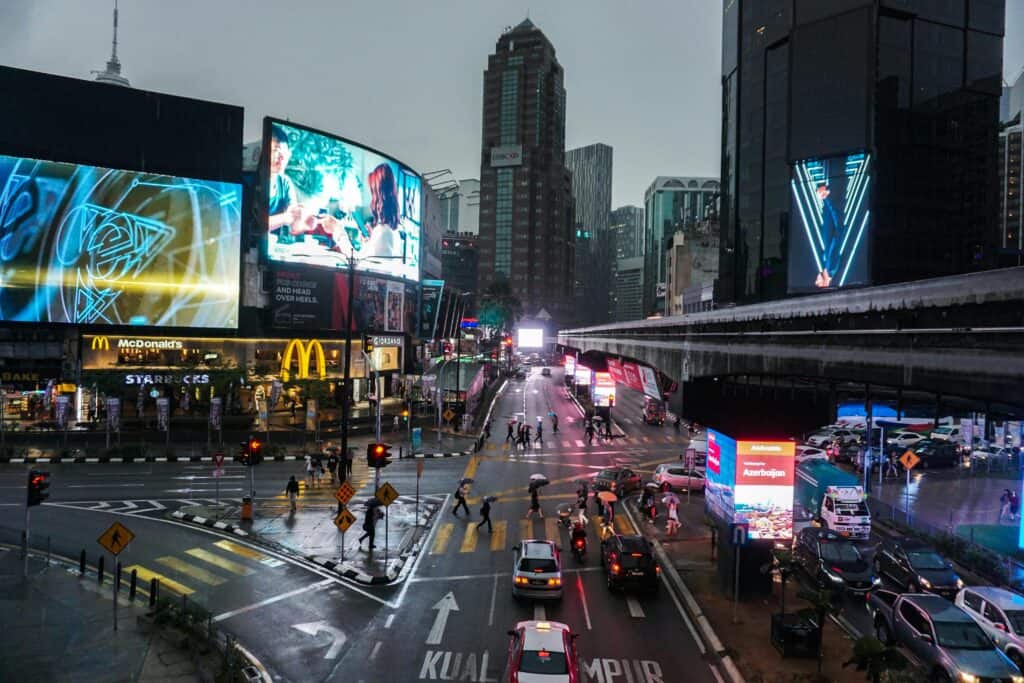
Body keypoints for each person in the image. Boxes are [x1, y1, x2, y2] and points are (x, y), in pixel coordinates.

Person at [362, 164, 402, 259]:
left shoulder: (382, 232)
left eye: (373, 192)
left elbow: (356, 265)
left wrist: (338, 232)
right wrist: (370, 241)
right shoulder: (390, 231)